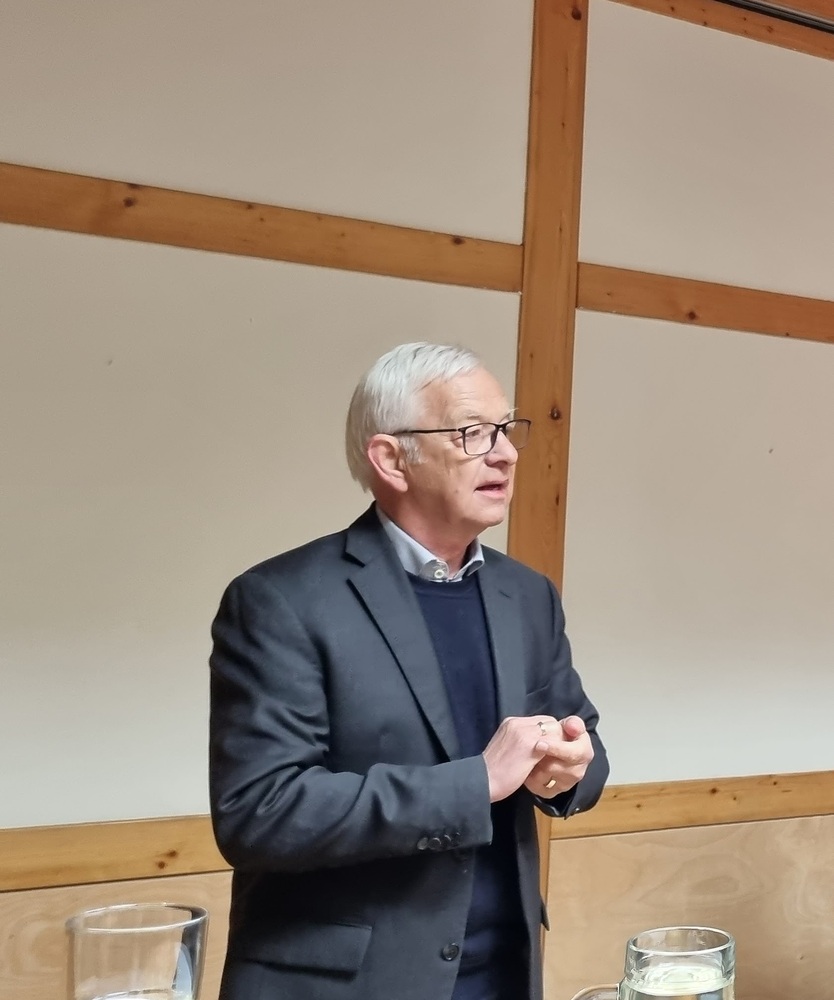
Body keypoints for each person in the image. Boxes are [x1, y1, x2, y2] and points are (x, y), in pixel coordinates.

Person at [209, 342, 608, 1000]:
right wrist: (477, 782)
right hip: (348, 986)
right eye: (472, 432)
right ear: (391, 459)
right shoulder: (281, 600)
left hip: (503, 973)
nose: (506, 453)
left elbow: (582, 745)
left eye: (507, 429)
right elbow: (261, 812)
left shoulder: (527, 595)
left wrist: (570, 768)